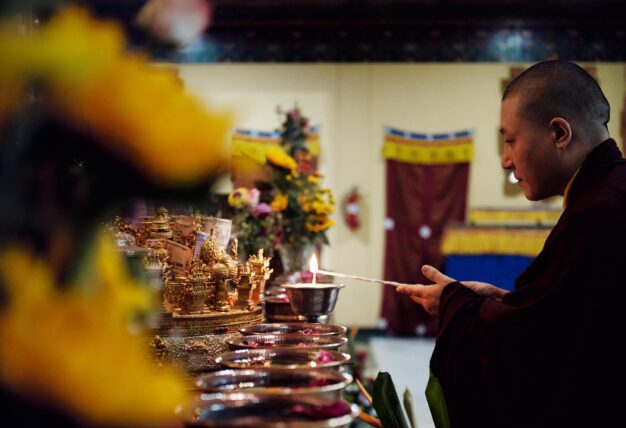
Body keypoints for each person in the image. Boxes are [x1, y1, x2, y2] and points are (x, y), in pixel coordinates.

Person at [396, 60, 626, 428]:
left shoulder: (601, 212)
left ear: (559, 133)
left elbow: (543, 358)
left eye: (510, 140)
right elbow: (567, 320)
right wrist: (499, 299)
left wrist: (455, 305)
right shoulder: (606, 194)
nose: (505, 160)